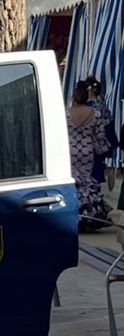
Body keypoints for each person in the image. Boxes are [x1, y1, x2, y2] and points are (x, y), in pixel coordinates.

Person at [69, 79, 112, 231]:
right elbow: (100, 136)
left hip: (71, 150)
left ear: (74, 97)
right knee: (87, 182)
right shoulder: (96, 113)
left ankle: (73, 213)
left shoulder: (66, 113)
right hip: (87, 151)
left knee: (74, 181)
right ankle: (89, 212)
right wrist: (104, 150)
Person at [85, 75, 116, 187]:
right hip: (101, 143)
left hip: (85, 144)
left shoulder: (82, 107)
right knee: (96, 173)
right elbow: (109, 126)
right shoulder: (103, 107)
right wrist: (110, 147)